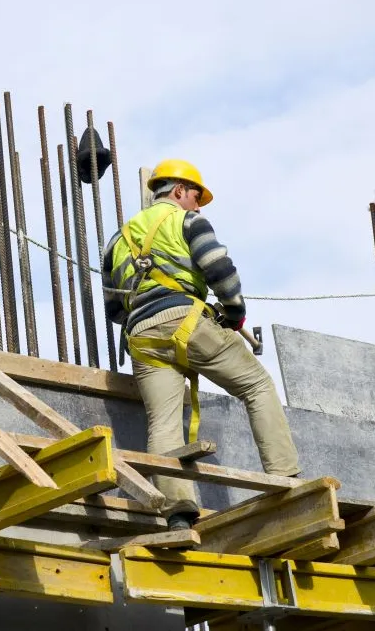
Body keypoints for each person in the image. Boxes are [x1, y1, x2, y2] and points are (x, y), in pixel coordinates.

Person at [102, 159, 301, 530]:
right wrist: (234, 312)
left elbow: (114, 308)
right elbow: (219, 269)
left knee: (163, 422)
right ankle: (287, 480)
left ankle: (178, 513)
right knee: (257, 386)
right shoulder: (187, 221)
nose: (197, 205)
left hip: (142, 337)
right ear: (178, 191)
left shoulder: (117, 240)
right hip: (187, 322)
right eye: (195, 196)